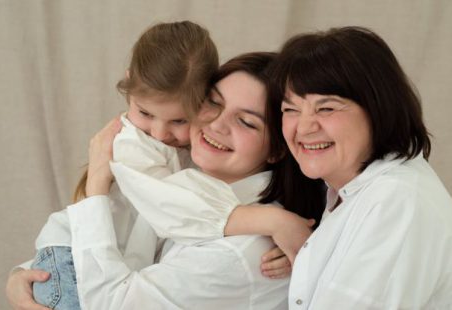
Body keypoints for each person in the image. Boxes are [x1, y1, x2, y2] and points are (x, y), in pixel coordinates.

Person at [65, 52, 324, 309]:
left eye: (246, 122)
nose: (217, 125)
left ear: (278, 149)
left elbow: (110, 305)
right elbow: (77, 237)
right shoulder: (173, 171)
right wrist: (27, 278)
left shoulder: (242, 252)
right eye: (213, 102)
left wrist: (96, 185)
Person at [236, 26, 452, 309]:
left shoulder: (396, 201)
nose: (304, 127)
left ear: (377, 109)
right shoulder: (347, 190)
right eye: (291, 110)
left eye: (326, 108)